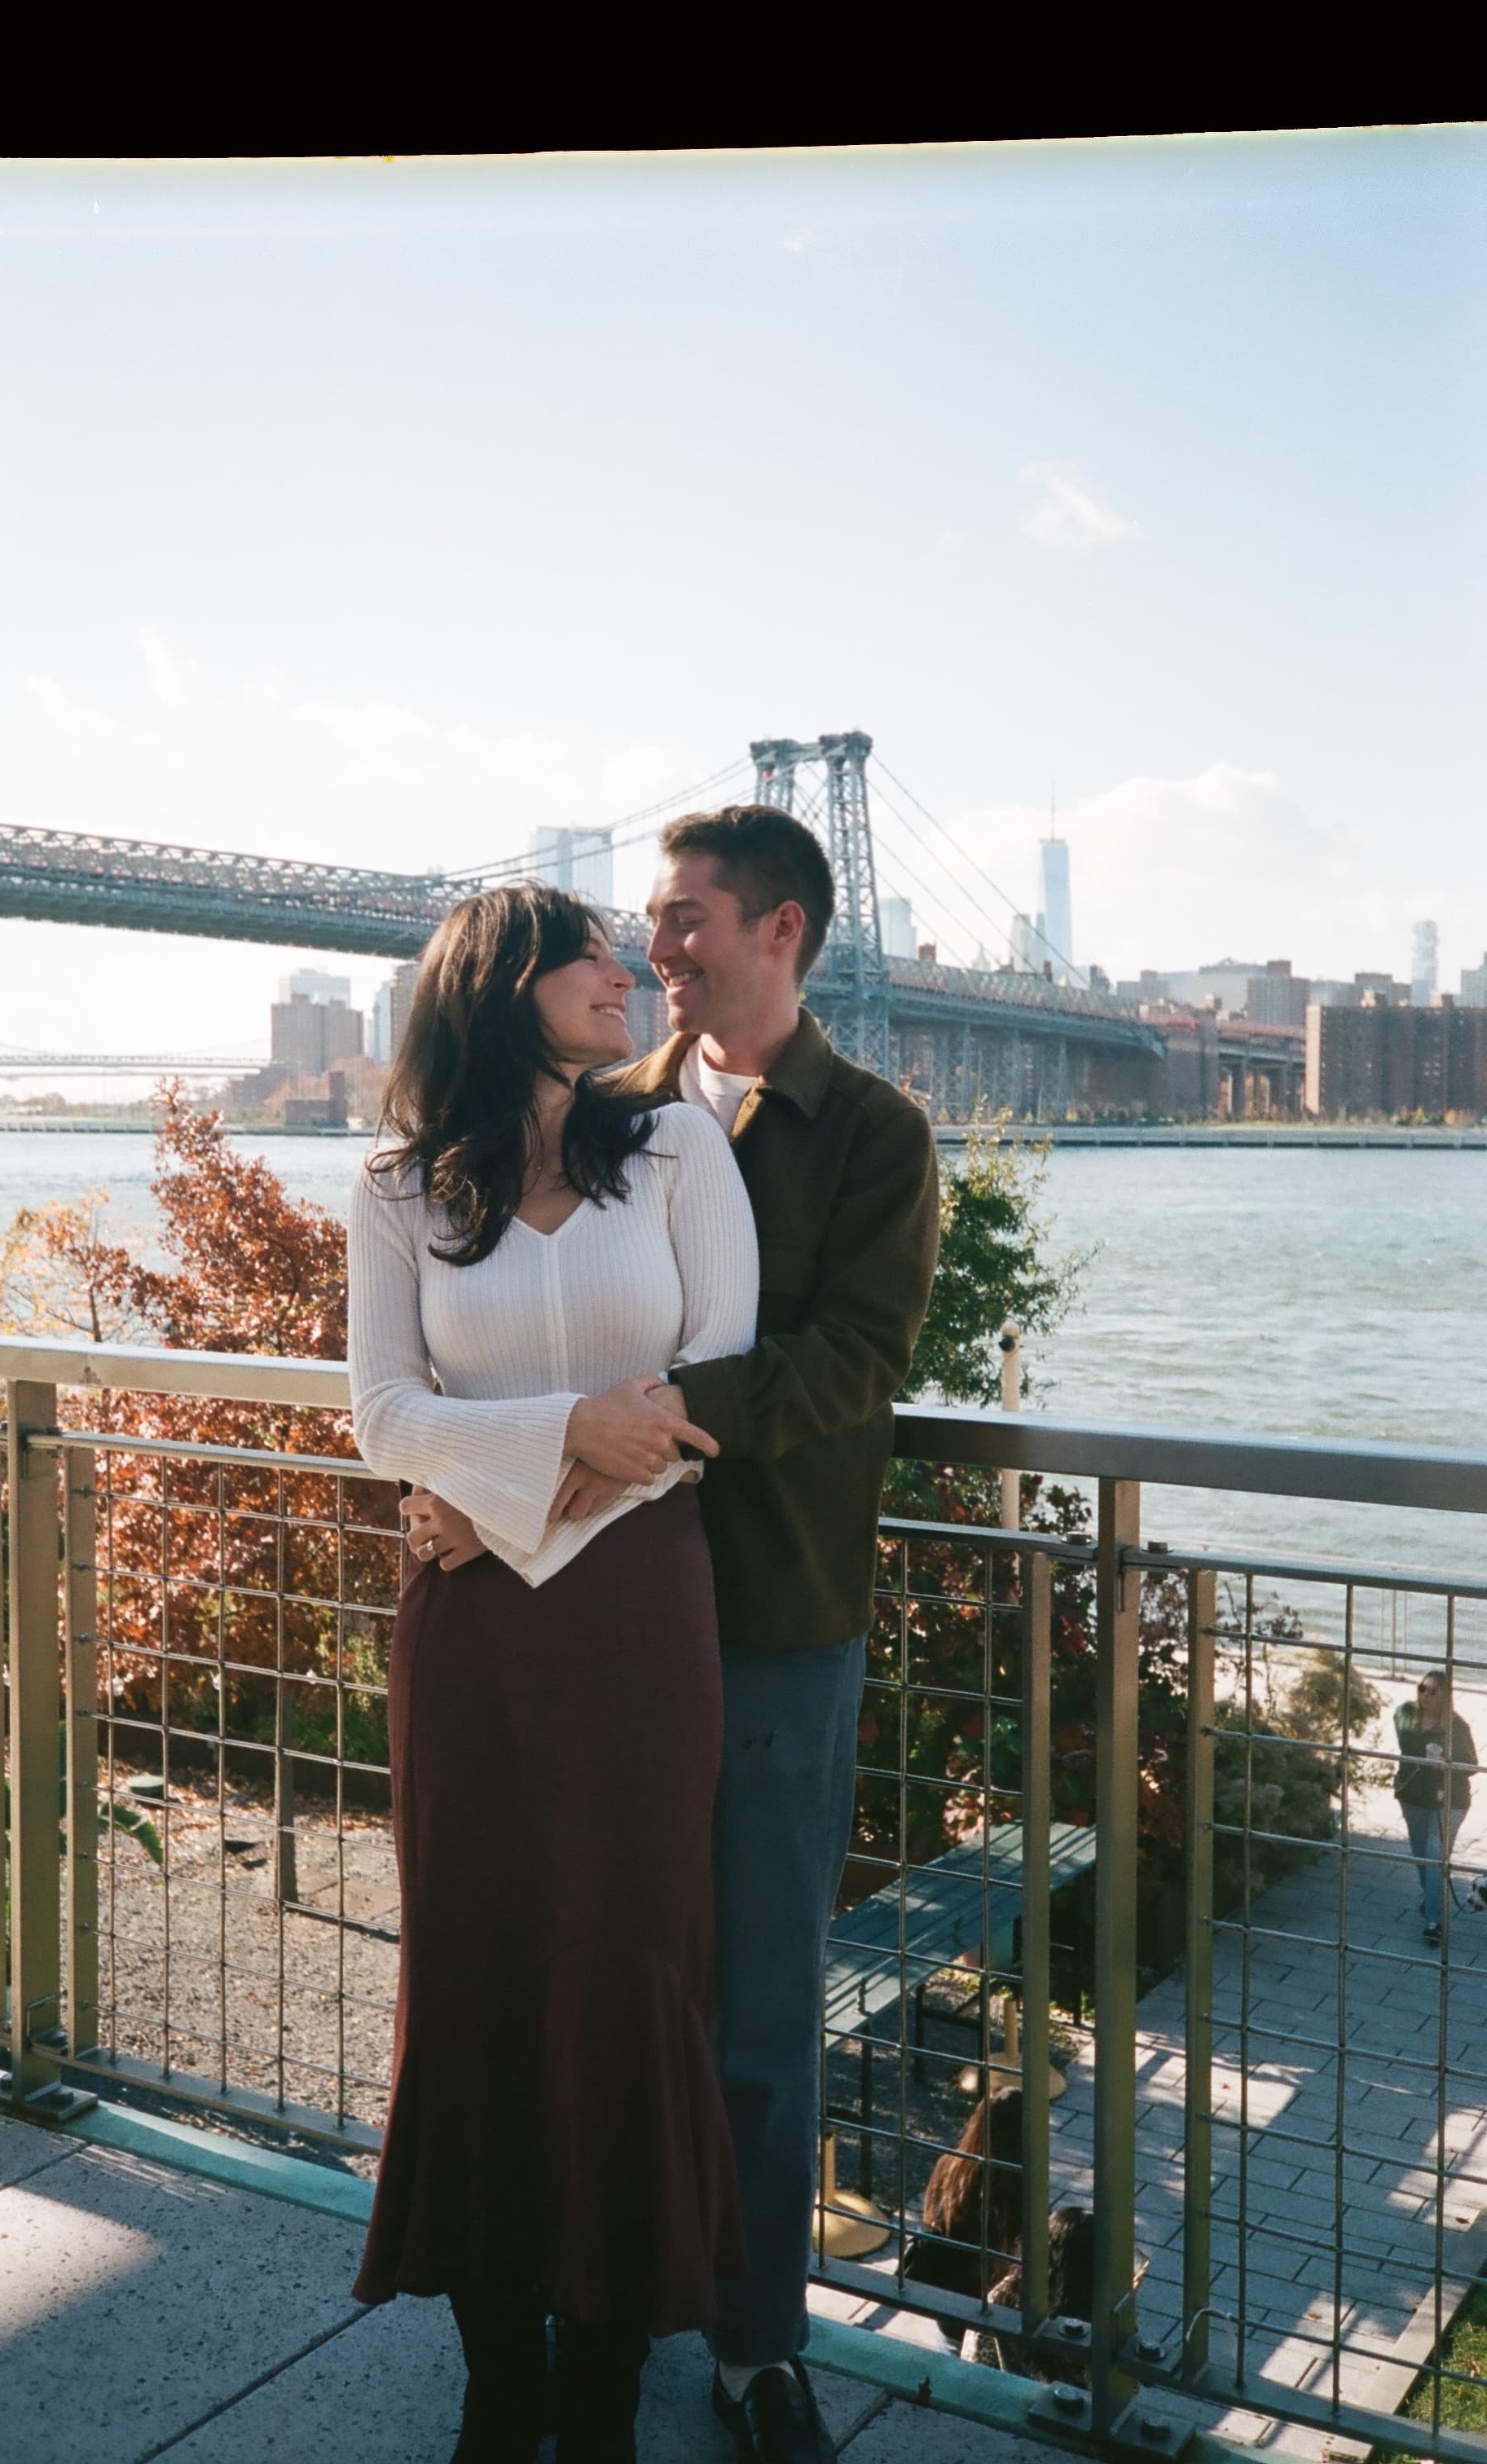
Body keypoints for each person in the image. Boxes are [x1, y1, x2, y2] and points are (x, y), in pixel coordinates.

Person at [407, 806, 942, 2463]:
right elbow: (466, 1352)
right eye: (645, 922)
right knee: (587, 1979)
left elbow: (848, 1364)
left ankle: (755, 2350)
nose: (659, 950)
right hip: (584, 1612)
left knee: (762, 2014)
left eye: (689, 918)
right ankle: (596, 2320)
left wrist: (578, 1438)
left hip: (770, 1608)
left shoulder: (875, 1133)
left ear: (779, 928)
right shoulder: (611, 1119)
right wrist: (472, 1471)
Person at [346, 884, 760, 2464]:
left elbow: (708, 1380)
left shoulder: (676, 1152)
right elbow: (386, 1415)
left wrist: (529, 1471)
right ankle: (496, 2374)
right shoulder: (393, 1188)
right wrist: (561, 1438)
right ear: (496, 986)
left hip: (638, 1617)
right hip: (470, 1632)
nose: (627, 972)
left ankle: (601, 2381)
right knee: (478, 1971)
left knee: (625, 1973)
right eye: (586, 953)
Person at [907, 2086, 1027, 2306]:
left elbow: (930, 2216)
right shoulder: (1020, 2189)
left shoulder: (949, 2165)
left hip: (947, 2295)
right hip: (992, 2305)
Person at [959, 2205, 1095, 2384]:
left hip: (1010, 2400)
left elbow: (973, 2363)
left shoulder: (1004, 2295)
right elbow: (1124, 2387)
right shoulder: (1099, 2308)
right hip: (1077, 2407)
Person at [1393, 1670, 1478, 1947]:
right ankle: (1431, 1895)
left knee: (1434, 1855)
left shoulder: (1456, 1726)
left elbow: (1472, 1764)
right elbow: (1405, 1740)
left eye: (1433, 1691)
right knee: (1421, 1854)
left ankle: (1434, 1921)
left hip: (1450, 1800)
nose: (1426, 1695)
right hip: (1414, 1795)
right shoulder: (1405, 1715)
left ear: (1446, 1696)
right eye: (1422, 1688)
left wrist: (1446, 1759)